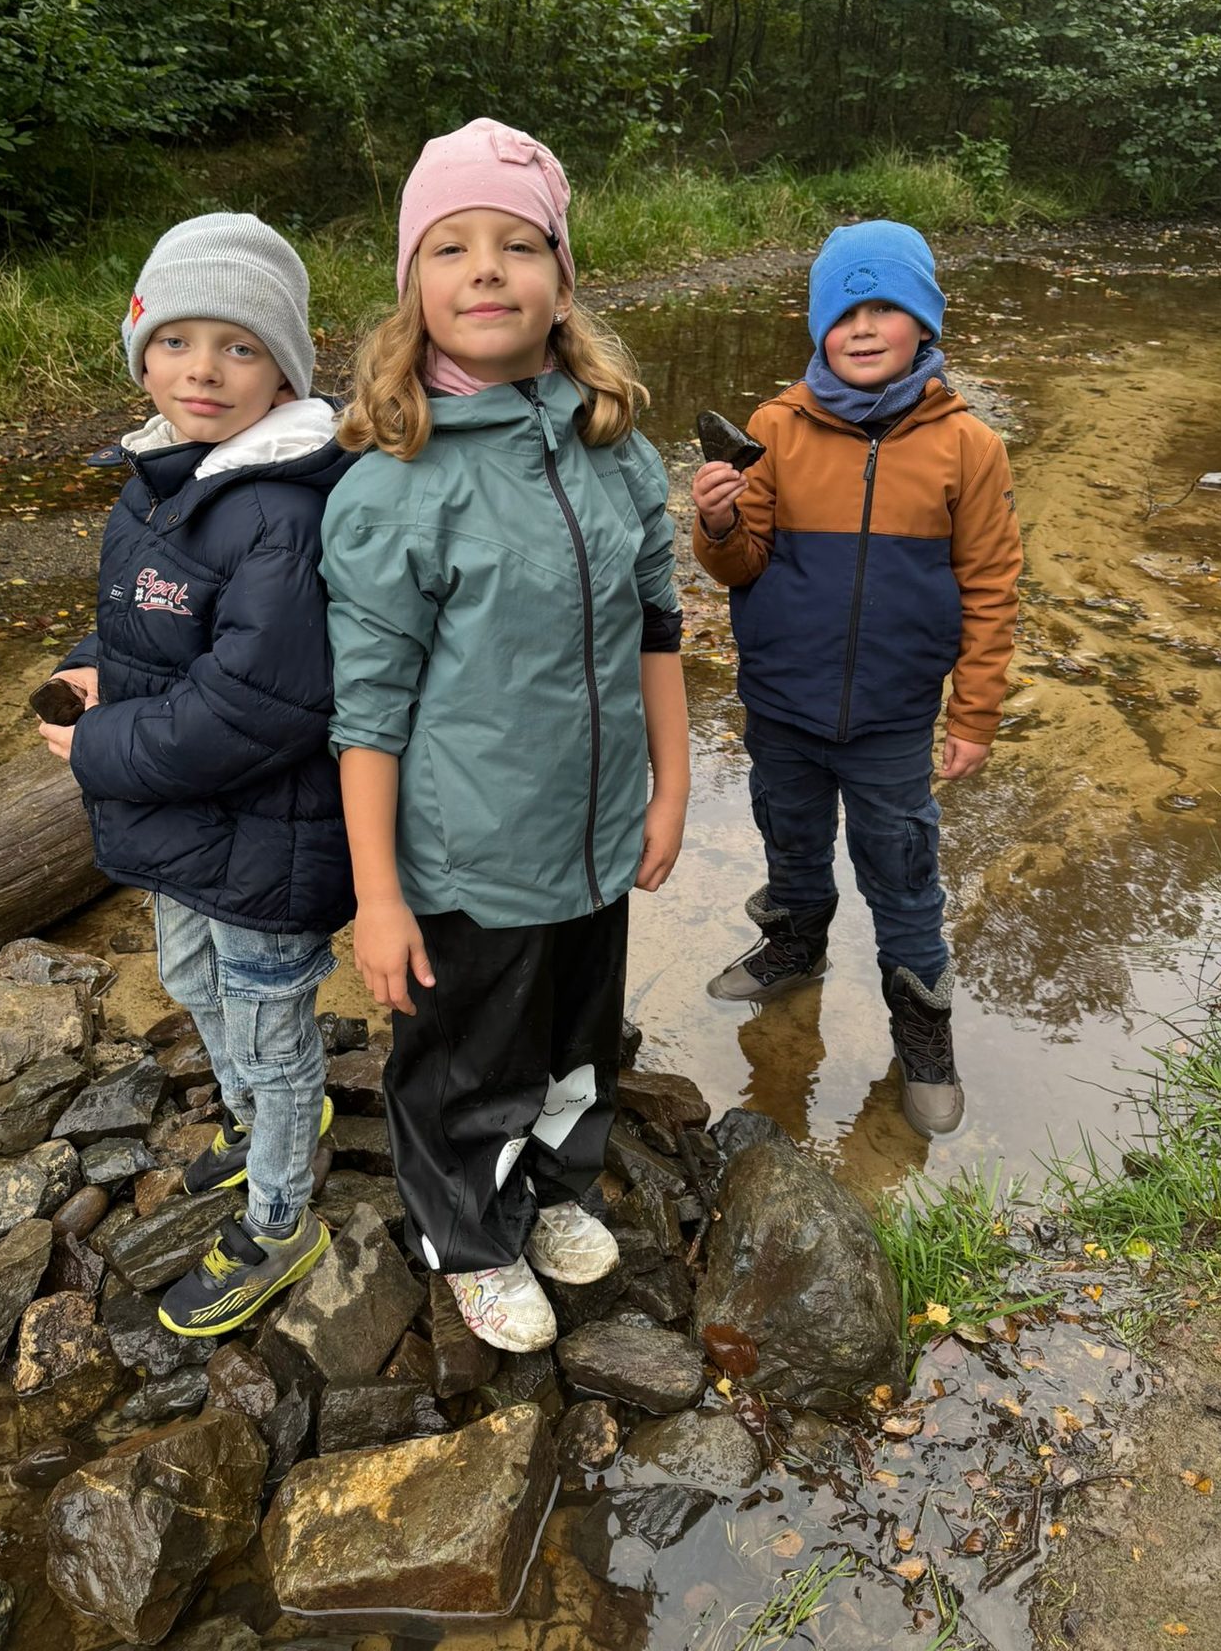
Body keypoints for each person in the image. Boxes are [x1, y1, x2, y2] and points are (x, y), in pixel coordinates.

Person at [320, 117, 689, 1353]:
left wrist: (670, 788)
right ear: (415, 292)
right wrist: (379, 897)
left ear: (563, 285)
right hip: (468, 859)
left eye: (519, 245)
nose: (486, 269)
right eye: (451, 247)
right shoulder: (394, 486)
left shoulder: (614, 450)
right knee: (466, 1061)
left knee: (579, 1041)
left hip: (593, 835)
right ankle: (467, 1237)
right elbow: (367, 714)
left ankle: (557, 1183)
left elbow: (657, 627)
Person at [38, 212, 356, 1335]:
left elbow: (261, 707)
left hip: (271, 837)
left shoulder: (285, 510)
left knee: (270, 1025)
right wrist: (86, 668)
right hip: (184, 827)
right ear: (142, 353)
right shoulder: (158, 479)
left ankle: (281, 1218)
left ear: (285, 371)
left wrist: (99, 749)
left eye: (239, 347)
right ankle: (254, 1116)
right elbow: (139, 628)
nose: (203, 370)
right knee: (190, 977)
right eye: (176, 341)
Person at [691, 220, 1021, 1138]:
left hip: (892, 720)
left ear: (925, 323)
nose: (864, 327)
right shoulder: (774, 430)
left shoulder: (970, 448)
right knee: (791, 846)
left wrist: (975, 714)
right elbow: (740, 565)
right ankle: (794, 951)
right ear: (818, 327)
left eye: (886, 308)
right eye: (844, 312)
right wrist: (715, 525)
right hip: (782, 707)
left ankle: (923, 1034)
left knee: (905, 878)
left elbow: (992, 586)